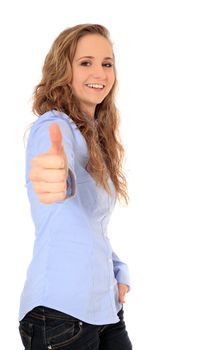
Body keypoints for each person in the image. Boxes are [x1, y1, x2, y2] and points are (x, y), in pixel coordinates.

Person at [18, 23, 133, 350]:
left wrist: (115, 268)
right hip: (59, 315)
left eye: (106, 63)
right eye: (86, 62)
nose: (99, 72)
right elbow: (53, 168)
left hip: (105, 311)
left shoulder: (94, 136)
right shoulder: (53, 127)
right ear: (63, 70)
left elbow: (86, 224)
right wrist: (52, 175)